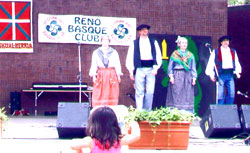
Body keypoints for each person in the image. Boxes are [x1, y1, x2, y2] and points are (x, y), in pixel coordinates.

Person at [70, 106, 140, 153]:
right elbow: (136, 135)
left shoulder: (91, 142)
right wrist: (132, 122)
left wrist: (79, 150)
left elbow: (73, 145)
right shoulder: (118, 141)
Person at [126, 24, 162, 111]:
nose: (144, 32)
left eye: (146, 30)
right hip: (140, 68)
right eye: (143, 30)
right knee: (139, 92)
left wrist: (156, 68)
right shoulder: (134, 43)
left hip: (151, 68)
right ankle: (139, 111)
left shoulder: (153, 42)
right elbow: (130, 56)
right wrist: (131, 71)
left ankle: (147, 111)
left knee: (150, 91)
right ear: (139, 32)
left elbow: (158, 56)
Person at [205, 35, 242, 104]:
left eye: (227, 41)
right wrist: (211, 74)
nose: (226, 42)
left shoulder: (232, 51)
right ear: (221, 42)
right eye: (224, 41)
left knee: (231, 94)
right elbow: (211, 63)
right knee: (220, 95)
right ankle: (220, 110)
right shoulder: (216, 52)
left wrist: (237, 72)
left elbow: (236, 62)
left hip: (230, 75)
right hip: (221, 75)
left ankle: (228, 109)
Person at [89, 35, 123, 107]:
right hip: (101, 74)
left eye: (107, 40)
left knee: (111, 92)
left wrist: (118, 75)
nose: (105, 42)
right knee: (100, 92)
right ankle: (99, 109)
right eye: (103, 40)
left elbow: (117, 64)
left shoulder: (114, 52)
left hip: (111, 74)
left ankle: (110, 108)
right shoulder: (96, 52)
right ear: (101, 41)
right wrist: (94, 76)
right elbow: (94, 64)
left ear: (109, 42)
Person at [166, 36, 197, 112]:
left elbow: (193, 67)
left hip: (187, 76)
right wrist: (171, 76)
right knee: (176, 93)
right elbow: (170, 66)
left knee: (187, 94)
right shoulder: (175, 54)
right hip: (177, 75)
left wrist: (194, 78)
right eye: (183, 43)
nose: (184, 44)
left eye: (186, 43)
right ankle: (175, 112)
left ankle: (187, 112)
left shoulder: (190, 55)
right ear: (179, 44)